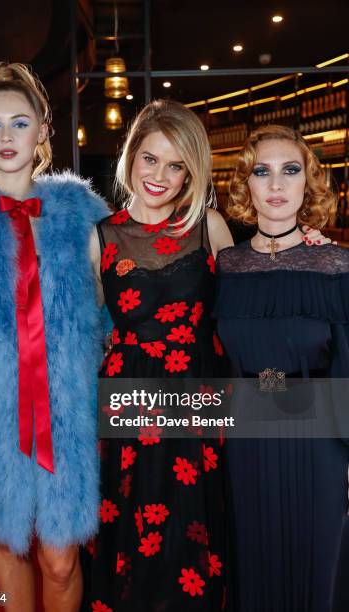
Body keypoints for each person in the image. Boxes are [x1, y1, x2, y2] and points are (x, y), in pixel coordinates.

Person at [87, 102, 327, 611]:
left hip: (202, 402)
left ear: (191, 172)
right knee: (135, 540)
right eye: (150, 159)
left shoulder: (209, 226)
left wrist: (309, 248)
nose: (160, 176)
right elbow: (80, 333)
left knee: (197, 541)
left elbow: (256, 296)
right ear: (131, 157)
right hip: (131, 406)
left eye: (176, 165)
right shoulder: (100, 237)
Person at [0, 62, 106, 612]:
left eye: (19, 122)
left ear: (42, 130)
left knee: (60, 559)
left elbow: (114, 313)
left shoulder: (81, 214)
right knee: (8, 544)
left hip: (67, 411)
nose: (6, 137)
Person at [214, 124, 349, 612]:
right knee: (253, 563)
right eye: (262, 172)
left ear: (307, 184)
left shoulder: (336, 265)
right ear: (245, 186)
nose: (275, 184)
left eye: (290, 171)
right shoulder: (227, 266)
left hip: (320, 443)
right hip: (246, 444)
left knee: (319, 568)